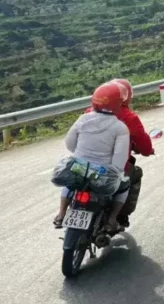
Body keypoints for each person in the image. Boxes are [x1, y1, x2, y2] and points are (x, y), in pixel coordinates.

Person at [54, 82, 131, 233]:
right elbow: (119, 162)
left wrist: (83, 157)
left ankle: (62, 213)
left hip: (79, 167)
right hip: (102, 173)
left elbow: (70, 144)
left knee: (70, 182)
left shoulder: (83, 119)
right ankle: (111, 220)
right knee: (125, 186)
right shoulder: (120, 128)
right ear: (118, 103)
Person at [82, 79, 153, 228]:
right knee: (134, 175)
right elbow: (144, 145)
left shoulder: (88, 113)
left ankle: (63, 213)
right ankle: (118, 216)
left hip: (85, 163)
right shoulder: (129, 117)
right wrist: (147, 151)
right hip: (114, 167)